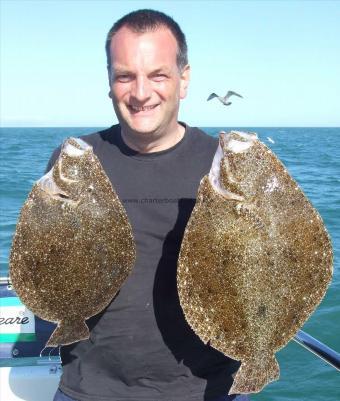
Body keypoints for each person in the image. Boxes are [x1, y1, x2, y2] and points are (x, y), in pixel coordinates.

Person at [49, 9, 250, 401]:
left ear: (184, 79)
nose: (141, 93)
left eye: (158, 75)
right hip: (89, 390)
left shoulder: (224, 166)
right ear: (109, 81)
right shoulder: (74, 159)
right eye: (125, 76)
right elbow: (51, 261)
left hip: (209, 390)